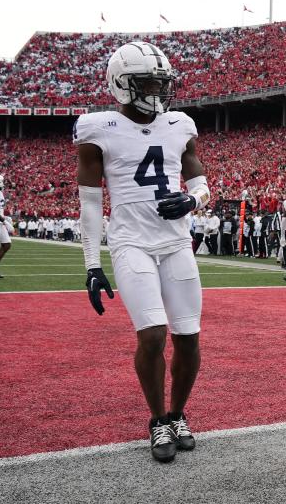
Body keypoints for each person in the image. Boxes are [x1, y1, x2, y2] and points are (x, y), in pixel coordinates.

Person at [74, 41, 207, 463]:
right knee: (153, 335)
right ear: (121, 84)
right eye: (147, 83)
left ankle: (178, 413)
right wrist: (92, 263)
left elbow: (199, 178)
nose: (157, 91)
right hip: (131, 242)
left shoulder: (179, 123)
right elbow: (91, 203)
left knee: (188, 338)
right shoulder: (97, 128)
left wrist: (194, 201)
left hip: (175, 241)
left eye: (161, 83)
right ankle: (157, 421)